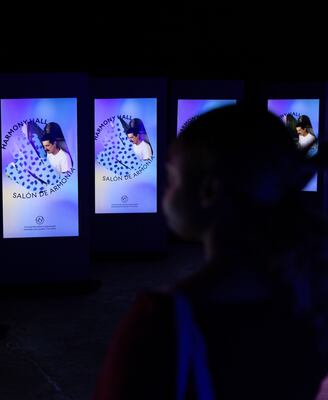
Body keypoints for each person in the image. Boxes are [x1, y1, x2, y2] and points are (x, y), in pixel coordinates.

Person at [94, 105, 328, 399]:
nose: (165, 191)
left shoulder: (160, 325)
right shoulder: (310, 302)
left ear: (209, 190)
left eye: (173, 178)